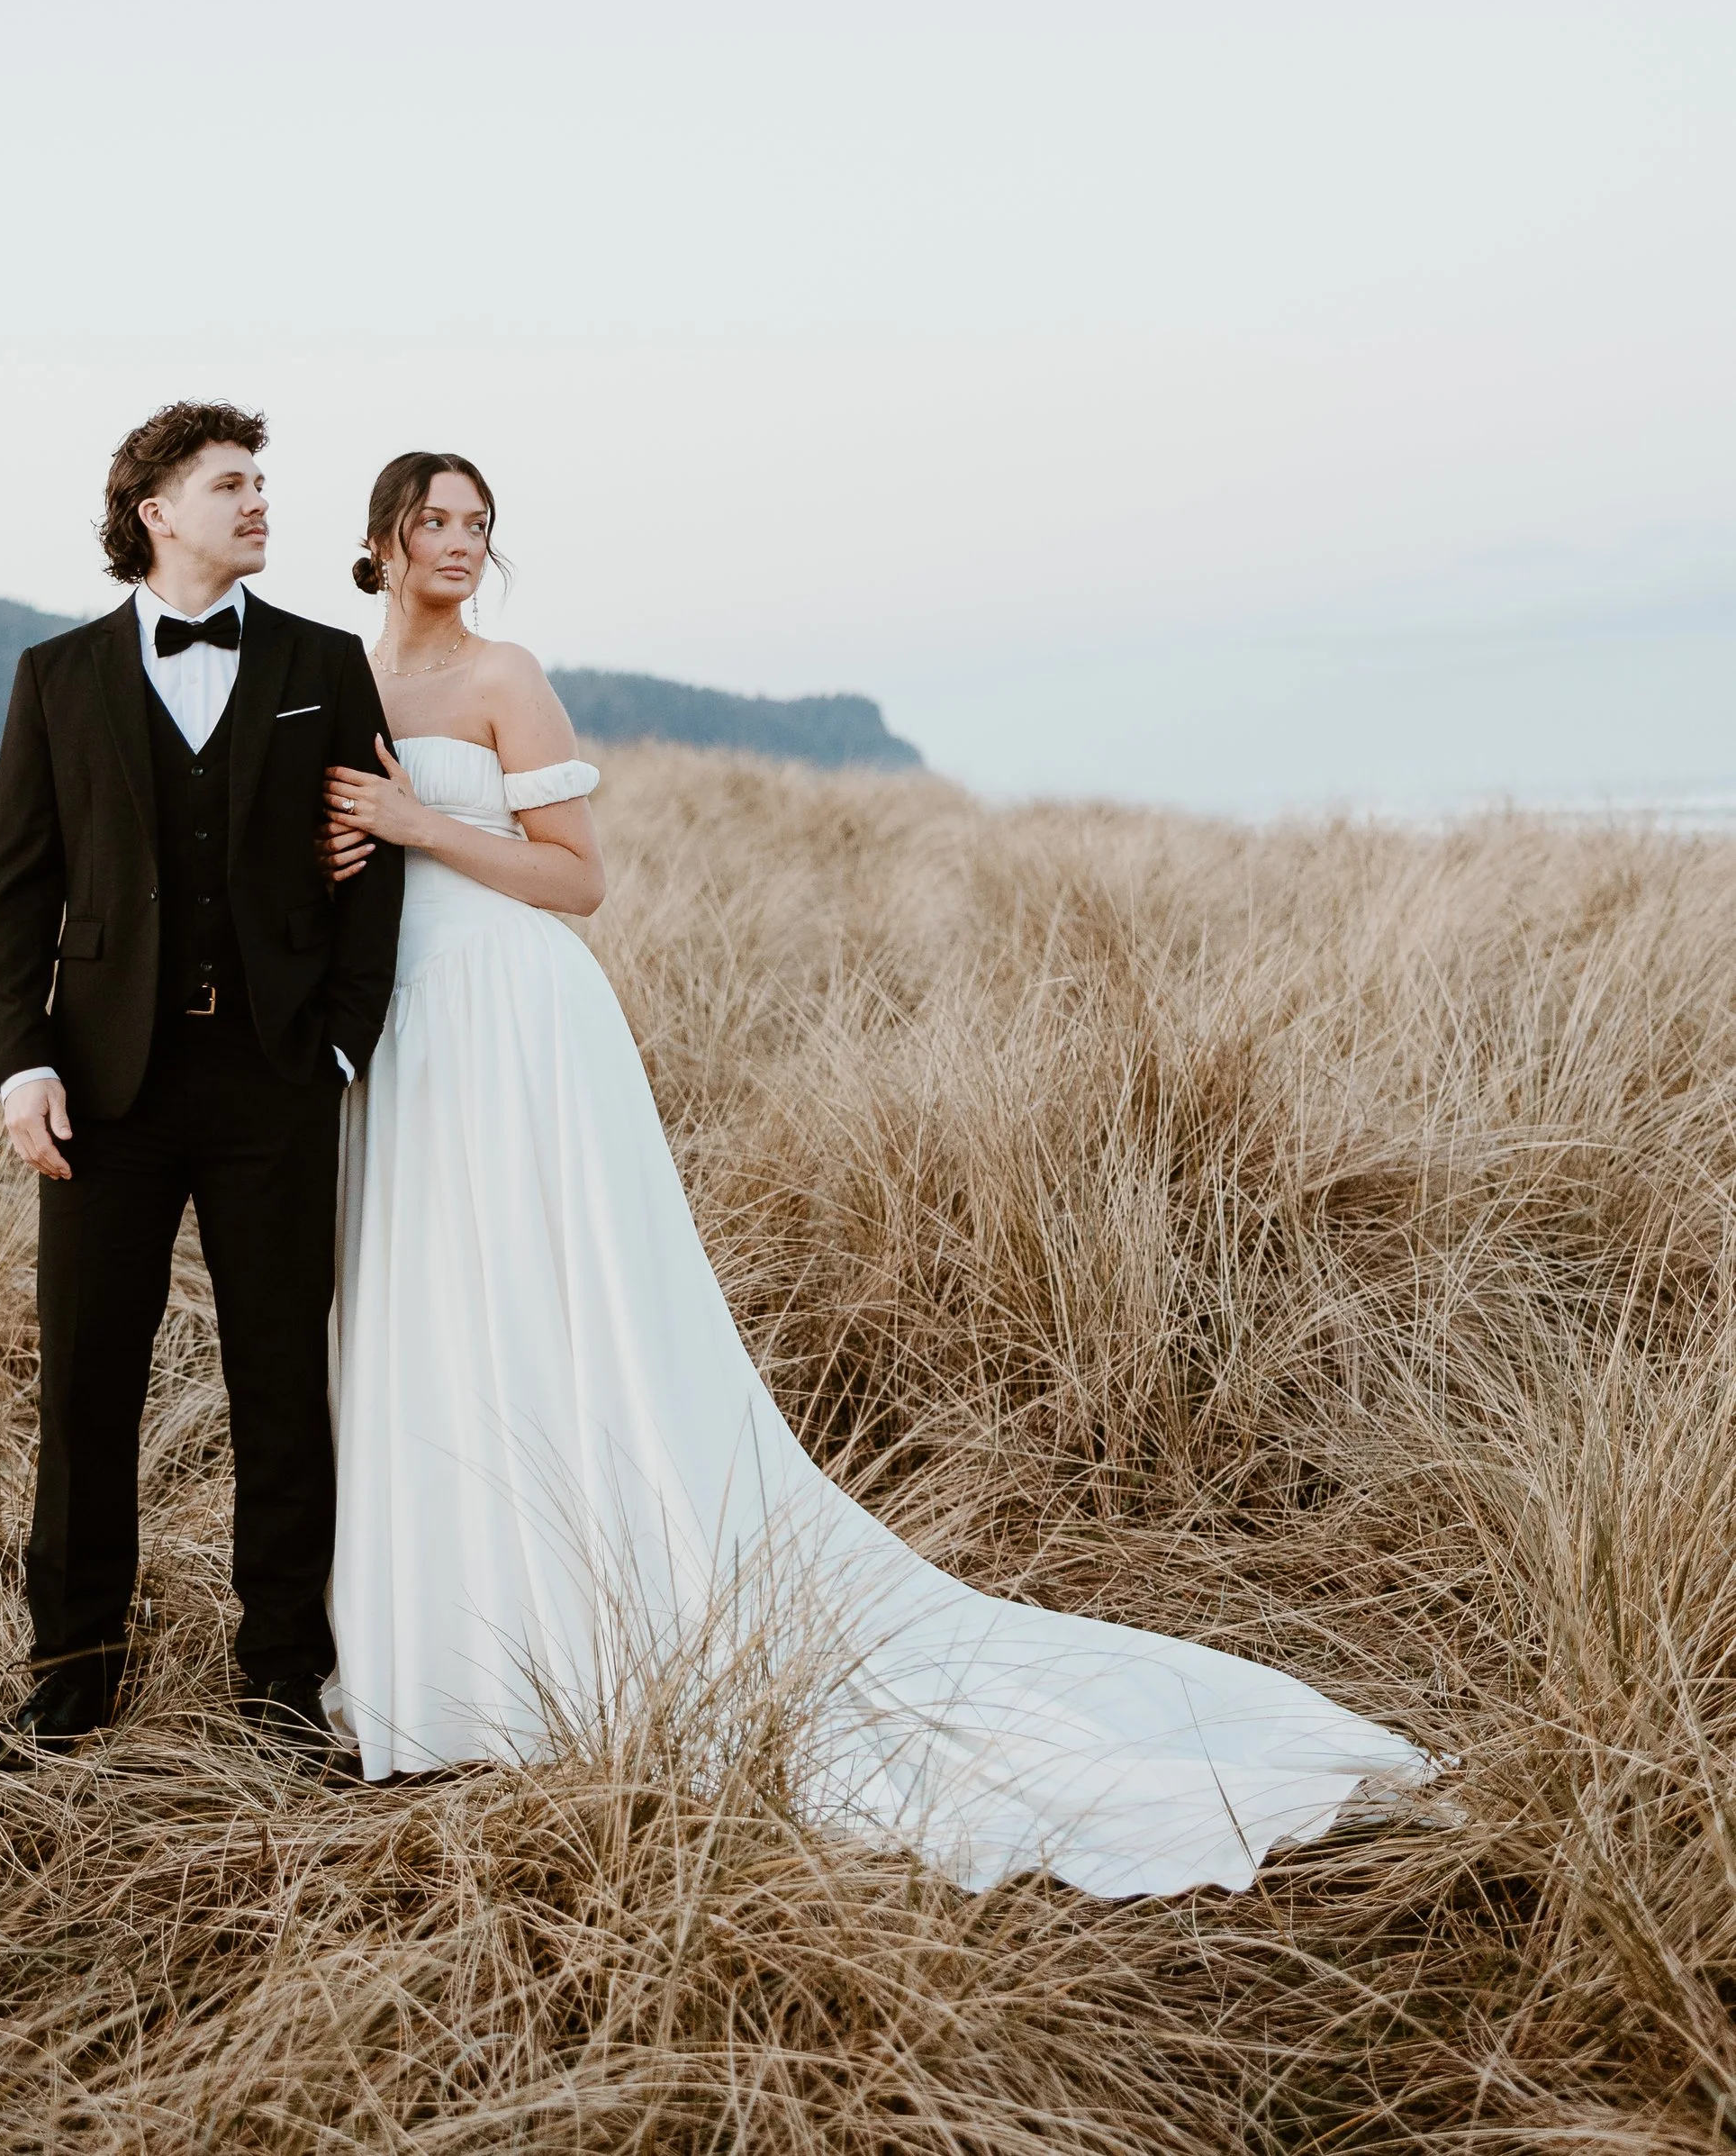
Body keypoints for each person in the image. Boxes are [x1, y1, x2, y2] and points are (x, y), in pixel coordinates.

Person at [315, 450, 1430, 1897]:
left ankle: (585, 1603)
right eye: (436, 521)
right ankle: (447, 1637)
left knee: (550, 1297)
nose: (461, 543)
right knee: (433, 1311)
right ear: (383, 537)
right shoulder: (338, 677)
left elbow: (579, 876)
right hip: (400, 1023)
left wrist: (418, 824)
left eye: (479, 524)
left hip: (518, 1015)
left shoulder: (506, 674)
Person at [0, 401, 402, 1766]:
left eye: (263, 483)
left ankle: (281, 1677)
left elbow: (372, 857)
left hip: (275, 1079)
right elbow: (19, 888)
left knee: (283, 1381)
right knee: (87, 1380)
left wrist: (341, 1040)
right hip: (104, 1087)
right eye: (232, 484)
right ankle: (72, 1679)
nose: (261, 502)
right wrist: (23, 1059)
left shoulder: (324, 661)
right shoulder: (56, 676)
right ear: (157, 508)